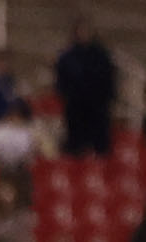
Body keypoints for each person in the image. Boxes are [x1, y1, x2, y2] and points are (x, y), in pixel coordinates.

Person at [53, 20, 117, 159]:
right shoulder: (67, 57)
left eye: (87, 31)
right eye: (81, 31)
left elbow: (109, 79)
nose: (85, 35)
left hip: (98, 105)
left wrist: (107, 97)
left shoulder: (101, 56)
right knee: (76, 141)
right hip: (75, 105)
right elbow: (61, 80)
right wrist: (67, 95)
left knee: (100, 141)